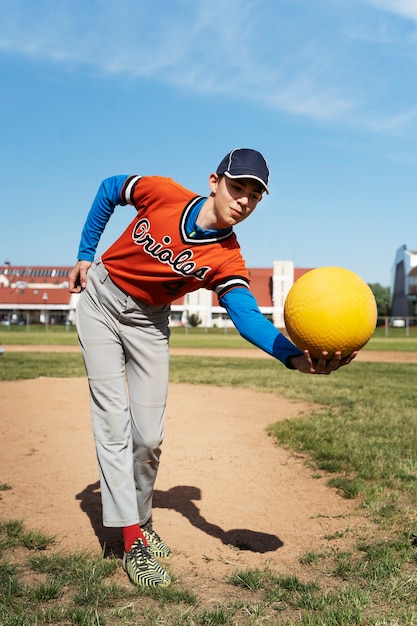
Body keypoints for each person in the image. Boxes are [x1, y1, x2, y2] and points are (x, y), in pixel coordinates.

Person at [69, 148, 356, 588]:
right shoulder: (164, 194)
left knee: (148, 436)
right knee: (113, 422)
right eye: (237, 186)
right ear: (214, 181)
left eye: (254, 195)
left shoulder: (227, 257)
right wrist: (86, 253)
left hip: (151, 321)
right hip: (101, 303)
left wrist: (295, 358)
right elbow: (111, 188)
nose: (243, 199)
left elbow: (245, 315)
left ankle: (141, 520)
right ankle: (131, 543)